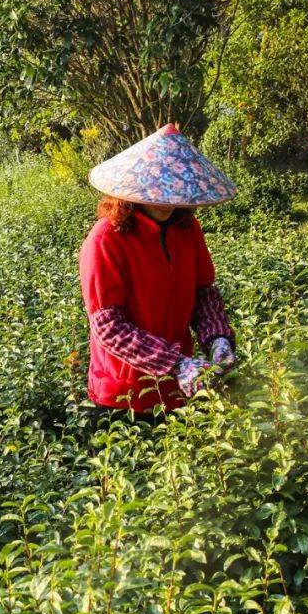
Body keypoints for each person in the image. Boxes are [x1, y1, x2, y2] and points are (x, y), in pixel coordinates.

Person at [79, 123, 237, 420]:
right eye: (157, 191)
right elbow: (109, 327)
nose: (166, 201)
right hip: (123, 393)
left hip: (178, 389)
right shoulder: (106, 239)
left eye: (173, 191)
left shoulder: (187, 230)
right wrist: (175, 363)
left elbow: (204, 294)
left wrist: (218, 338)